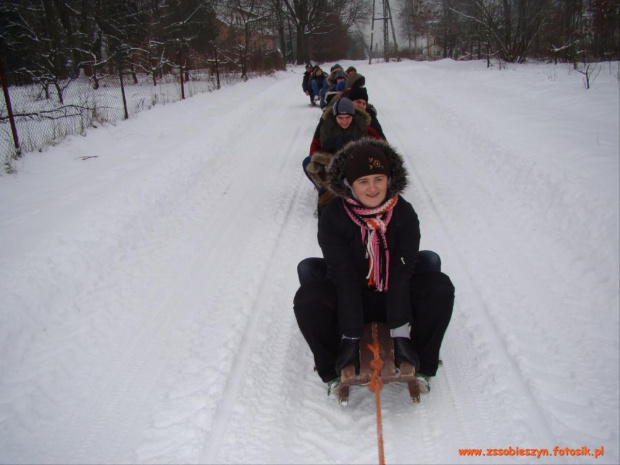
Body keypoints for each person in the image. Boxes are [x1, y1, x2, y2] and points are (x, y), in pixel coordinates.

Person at [293, 139, 455, 398]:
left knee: (439, 284)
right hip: (351, 293)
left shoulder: (403, 212)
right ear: (349, 184)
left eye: (378, 179)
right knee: (308, 297)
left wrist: (401, 334)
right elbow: (343, 278)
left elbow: (402, 274)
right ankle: (332, 372)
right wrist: (350, 337)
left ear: (389, 180)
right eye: (363, 181)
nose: (372, 188)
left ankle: (424, 367)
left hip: (393, 292)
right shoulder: (334, 216)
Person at [303, 98, 383, 215]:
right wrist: (317, 167)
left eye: (348, 118)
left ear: (353, 116)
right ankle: (324, 192)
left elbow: (379, 145)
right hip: (330, 161)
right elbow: (316, 146)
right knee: (308, 163)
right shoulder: (325, 126)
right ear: (335, 116)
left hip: (357, 163)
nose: (344, 122)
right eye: (340, 118)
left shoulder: (362, 125)